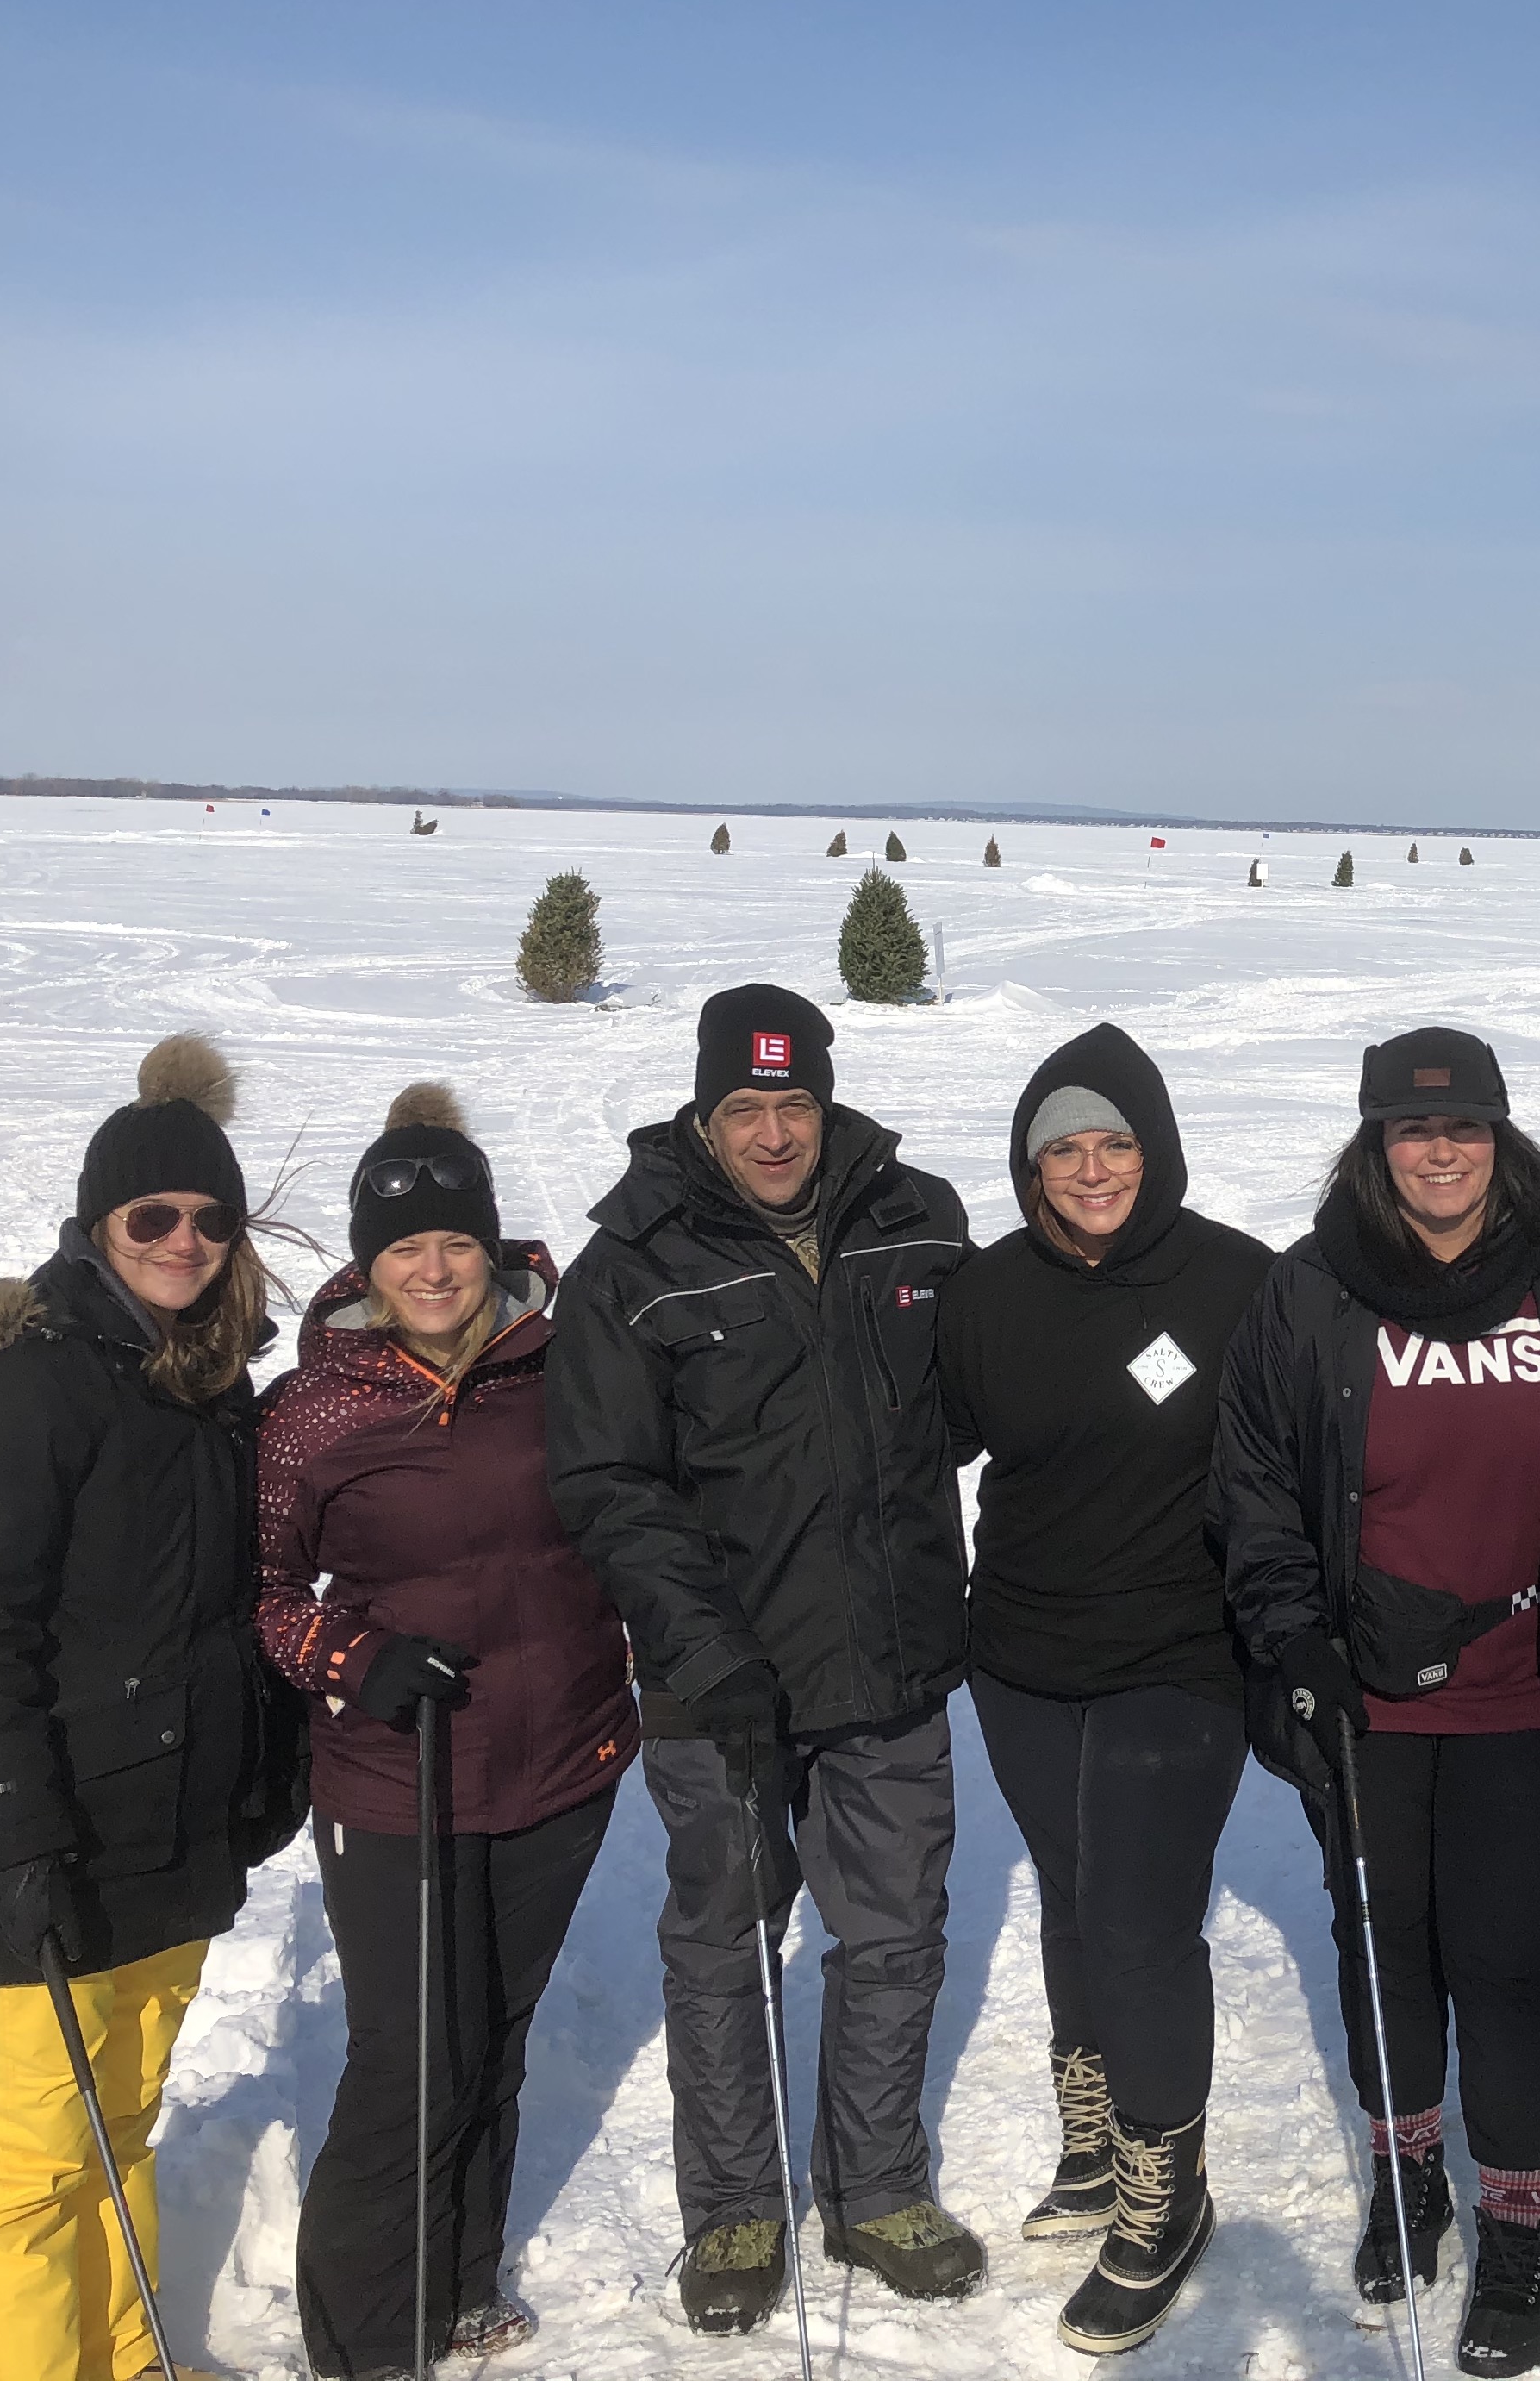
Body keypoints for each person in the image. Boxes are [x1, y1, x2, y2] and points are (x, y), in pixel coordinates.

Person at [1216, 1025, 1540, 2378]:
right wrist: (1291, 1643)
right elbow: (1254, 1485)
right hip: (1367, 1696)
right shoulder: (1312, 1291)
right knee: (1386, 1944)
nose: (1441, 1153)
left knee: (1513, 1958)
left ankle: (1518, 2217)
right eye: (1414, 1132)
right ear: (1375, 1143)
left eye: (1467, 1129)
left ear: (1503, 1137)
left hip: (1528, 1693)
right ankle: (1410, 2166)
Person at [548, 985, 984, 2331]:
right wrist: (704, 1652)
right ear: (705, 1110)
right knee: (727, 1942)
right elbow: (610, 1484)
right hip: (719, 1684)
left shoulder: (916, 1223)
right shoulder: (633, 1263)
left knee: (896, 1931)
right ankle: (736, 2209)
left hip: (890, 1663)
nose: (777, 1133)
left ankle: (875, 2187)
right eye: (748, 1107)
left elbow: (971, 1410)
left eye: (797, 1103)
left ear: (828, 1100)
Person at [0, 1034, 309, 2381]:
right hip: (52, 1840)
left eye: (211, 1219)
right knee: (30, 2163)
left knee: (121, 2127)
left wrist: (259, 1770)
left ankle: (125, 2356)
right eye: (154, 1216)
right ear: (99, 1226)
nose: (185, 1241)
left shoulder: (208, 1383)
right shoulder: (31, 1383)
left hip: (171, 1833)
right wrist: (14, 1832)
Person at [254, 1084, 639, 2378]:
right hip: (394, 1773)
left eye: (454, 1243)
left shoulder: (566, 1364)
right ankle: (363, 2340)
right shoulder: (313, 1411)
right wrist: (348, 1657)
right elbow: (251, 1594)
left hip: (565, 1757)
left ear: (493, 1248)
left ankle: (462, 2276)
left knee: (497, 2036)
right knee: (410, 2061)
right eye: (403, 1248)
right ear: (367, 1265)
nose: (431, 1268)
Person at [934, 1026, 1276, 2354]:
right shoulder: (987, 1295)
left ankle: (1167, 2187)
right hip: (1020, 1655)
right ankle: (1098, 2126)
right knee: (1074, 1899)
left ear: (1157, 1147)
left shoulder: (1241, 1284)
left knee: (1138, 1917)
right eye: (1061, 1149)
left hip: (1182, 1658)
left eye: (1113, 1143)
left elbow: (1314, 1452)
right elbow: (926, 1444)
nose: (1089, 1170)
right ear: (1030, 1167)